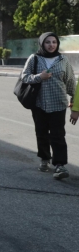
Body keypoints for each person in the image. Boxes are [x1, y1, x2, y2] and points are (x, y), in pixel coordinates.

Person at [21, 32, 75, 180]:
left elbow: (71, 82)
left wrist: (75, 106)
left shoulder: (63, 60)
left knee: (58, 135)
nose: (51, 45)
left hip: (58, 103)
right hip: (39, 104)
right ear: (42, 44)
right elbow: (24, 77)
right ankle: (45, 159)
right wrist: (39, 77)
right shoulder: (35, 58)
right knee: (42, 133)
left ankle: (59, 165)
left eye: (54, 42)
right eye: (48, 42)